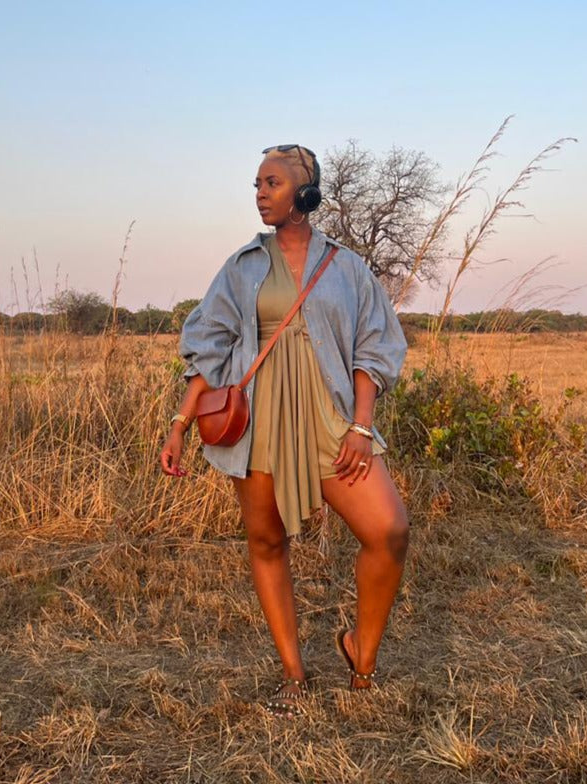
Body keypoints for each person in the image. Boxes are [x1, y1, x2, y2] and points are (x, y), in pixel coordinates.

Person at [160, 144, 409, 718]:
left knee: (389, 530)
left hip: (331, 420)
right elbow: (208, 346)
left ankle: (360, 653)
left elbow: (375, 345)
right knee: (267, 543)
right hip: (261, 423)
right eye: (256, 184)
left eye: (271, 182)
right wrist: (179, 422)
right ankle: (293, 675)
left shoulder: (345, 266)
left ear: (305, 191)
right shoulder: (243, 265)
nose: (260, 193)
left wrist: (361, 427)